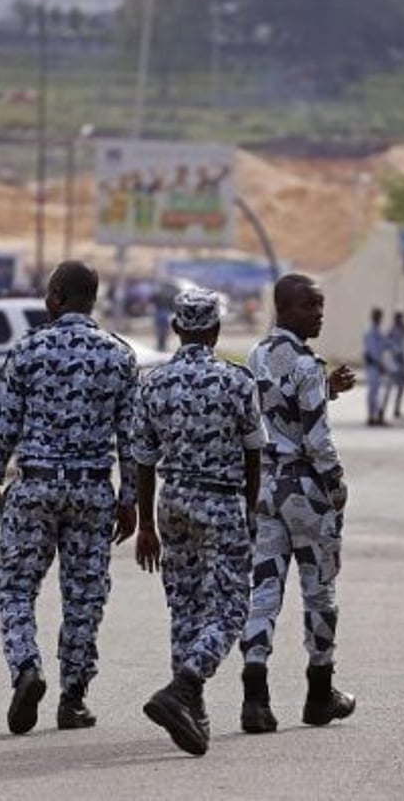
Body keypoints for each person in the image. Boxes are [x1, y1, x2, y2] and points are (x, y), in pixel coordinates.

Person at [0, 260, 138, 736]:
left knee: (14, 587)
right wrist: (129, 498)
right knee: (84, 595)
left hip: (35, 485)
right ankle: (73, 699)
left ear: (54, 297)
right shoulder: (120, 356)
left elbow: (3, 424)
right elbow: (130, 438)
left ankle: (27, 666)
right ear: (94, 299)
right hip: (92, 489)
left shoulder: (28, 350)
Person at [132, 288, 266, 756]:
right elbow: (254, 454)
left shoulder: (152, 383)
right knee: (231, 608)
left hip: (172, 503)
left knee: (186, 608)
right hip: (222, 501)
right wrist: (251, 511)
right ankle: (184, 687)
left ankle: (192, 713)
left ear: (175, 328)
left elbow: (143, 459)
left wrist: (146, 524)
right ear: (215, 330)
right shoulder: (236, 382)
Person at [240, 273, 357, 734]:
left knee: (264, 591)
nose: (320, 314)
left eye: (320, 305)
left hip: (266, 488)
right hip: (306, 492)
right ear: (285, 309)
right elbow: (315, 438)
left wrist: (327, 389)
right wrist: (336, 485)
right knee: (319, 590)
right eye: (311, 306)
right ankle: (319, 692)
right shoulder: (308, 365)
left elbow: (275, 409)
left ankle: (255, 697)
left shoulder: (257, 355)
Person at [362, 307, 387, 426]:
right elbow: (369, 352)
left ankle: (378, 415)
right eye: (377, 316)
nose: (379, 318)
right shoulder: (369, 331)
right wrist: (379, 364)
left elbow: (383, 349)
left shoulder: (380, 331)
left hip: (379, 365)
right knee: (373, 392)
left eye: (380, 316)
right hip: (372, 365)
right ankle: (371, 416)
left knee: (378, 392)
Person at [381, 310, 404, 421]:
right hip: (394, 362)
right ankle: (381, 410)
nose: (401, 320)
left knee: (401, 388)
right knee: (388, 388)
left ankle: (397, 409)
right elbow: (388, 345)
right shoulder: (392, 331)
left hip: (402, 363)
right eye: (399, 318)